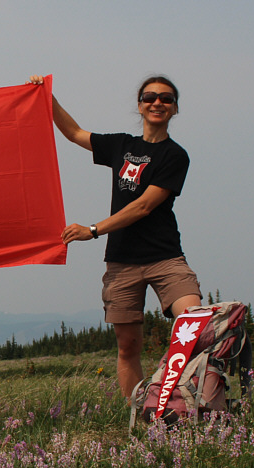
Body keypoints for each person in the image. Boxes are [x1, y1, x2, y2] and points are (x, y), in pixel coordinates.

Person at [30, 74, 203, 401]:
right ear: (139, 105)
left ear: (175, 109)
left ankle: (180, 400)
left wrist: (92, 230)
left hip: (165, 258)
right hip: (122, 262)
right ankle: (137, 416)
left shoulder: (175, 156)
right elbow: (73, 133)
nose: (157, 103)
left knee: (193, 324)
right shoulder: (122, 145)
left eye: (166, 99)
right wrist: (45, 96)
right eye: (150, 97)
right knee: (128, 347)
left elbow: (143, 206)